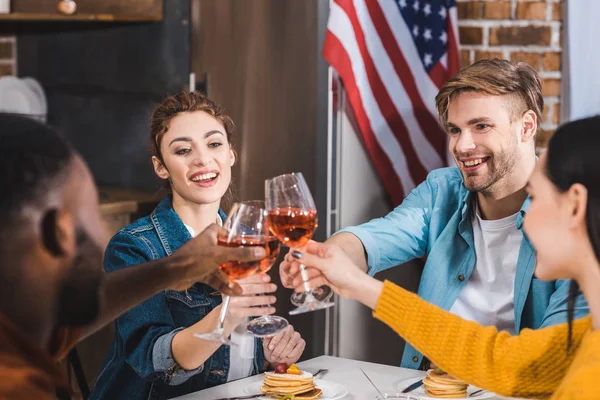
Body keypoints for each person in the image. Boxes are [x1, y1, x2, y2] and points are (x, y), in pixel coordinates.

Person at [281, 58, 588, 369]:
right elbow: (373, 239)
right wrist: (327, 257)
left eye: (481, 126)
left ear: (527, 126)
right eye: (455, 129)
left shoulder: (569, 223)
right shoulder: (442, 190)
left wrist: (360, 286)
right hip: (427, 386)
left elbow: (545, 365)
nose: (463, 145)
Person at [290, 116, 600, 399]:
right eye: (455, 129)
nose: (526, 218)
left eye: (538, 196)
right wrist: (357, 281)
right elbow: (502, 360)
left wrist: (361, 286)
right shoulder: (583, 342)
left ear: (575, 206)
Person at [0, 113, 265, 399]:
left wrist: (174, 269)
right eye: (93, 217)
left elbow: (76, 315)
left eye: (214, 144)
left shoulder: (21, 334)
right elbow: (150, 354)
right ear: (60, 232)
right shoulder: (19, 387)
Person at [90, 91, 305, 400]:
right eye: (182, 150)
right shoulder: (133, 248)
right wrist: (228, 315)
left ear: (230, 154)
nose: (203, 159)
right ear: (161, 167)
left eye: (214, 144)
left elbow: (236, 356)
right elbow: (154, 359)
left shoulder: (247, 239)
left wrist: (271, 350)